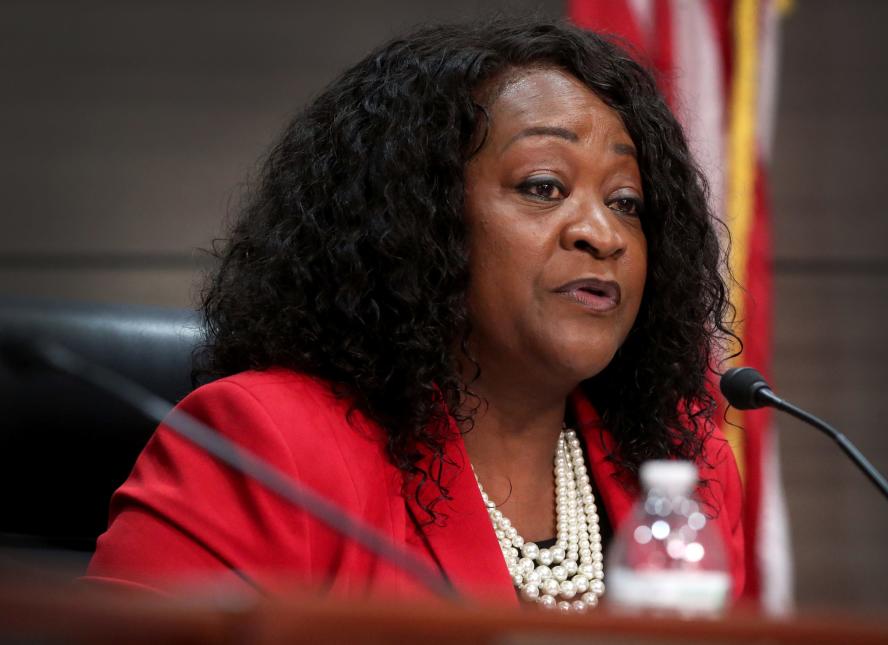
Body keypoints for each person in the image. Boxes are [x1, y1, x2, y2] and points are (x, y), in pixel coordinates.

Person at [85, 19, 744, 611]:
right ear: (418, 221)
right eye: (543, 186)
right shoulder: (266, 444)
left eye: (627, 201)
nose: (603, 233)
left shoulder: (687, 474)